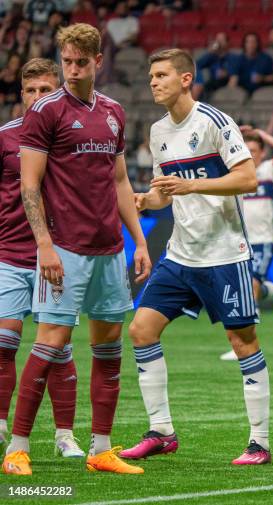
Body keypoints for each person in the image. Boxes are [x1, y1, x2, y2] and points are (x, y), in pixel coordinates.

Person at [3, 23, 152, 476]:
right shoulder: (45, 112)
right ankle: (17, 449)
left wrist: (140, 241)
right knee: (50, 344)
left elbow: (121, 181)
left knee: (108, 351)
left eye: (80, 62)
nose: (71, 69)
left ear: (97, 63)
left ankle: (101, 449)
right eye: (66, 61)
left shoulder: (113, 112)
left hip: (109, 249)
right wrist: (44, 245)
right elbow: (30, 186)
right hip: (64, 248)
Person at [120, 49, 271, 466]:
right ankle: (161, 431)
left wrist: (194, 188)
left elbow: (248, 177)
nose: (153, 81)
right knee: (141, 330)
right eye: (151, 75)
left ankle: (259, 442)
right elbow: (164, 189)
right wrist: (147, 200)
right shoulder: (157, 131)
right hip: (180, 254)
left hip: (224, 253)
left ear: (186, 78)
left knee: (242, 342)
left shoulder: (215, 122)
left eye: (162, 74)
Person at [0, 58, 84, 460]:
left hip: (61, 254)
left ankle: (64, 435)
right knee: (4, 341)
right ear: (21, 96)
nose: (37, 98)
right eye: (31, 91)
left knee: (57, 349)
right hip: (11, 253)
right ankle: (1, 425)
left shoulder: (72, 136)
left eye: (46, 91)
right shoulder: (4, 138)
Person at [219, 127, 273, 361]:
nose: (251, 154)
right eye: (247, 149)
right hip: (239, 239)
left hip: (264, 241)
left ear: (262, 153)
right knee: (252, 288)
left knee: (251, 284)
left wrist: (261, 133)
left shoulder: (268, 171)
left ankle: (245, 345)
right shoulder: (235, 174)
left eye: (255, 150)